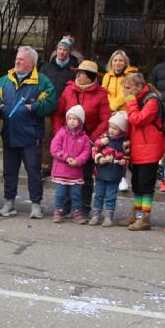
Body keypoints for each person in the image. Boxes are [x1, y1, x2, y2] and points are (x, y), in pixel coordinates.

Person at [0, 46, 57, 219]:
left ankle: (36, 205)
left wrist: (34, 107)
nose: (17, 61)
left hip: (31, 136)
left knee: (34, 172)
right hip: (9, 134)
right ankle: (9, 203)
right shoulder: (5, 80)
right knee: (9, 171)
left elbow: (51, 102)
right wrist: (0, 105)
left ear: (31, 63)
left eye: (21, 59)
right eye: (17, 58)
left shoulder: (42, 82)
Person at [53, 60, 111, 217]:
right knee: (66, 174)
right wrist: (60, 134)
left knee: (85, 176)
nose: (77, 75)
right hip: (67, 139)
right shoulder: (68, 90)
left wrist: (91, 139)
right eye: (77, 72)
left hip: (88, 141)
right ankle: (65, 207)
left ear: (90, 76)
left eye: (81, 73)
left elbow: (105, 120)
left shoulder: (101, 94)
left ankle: (83, 208)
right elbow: (58, 114)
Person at [121, 72, 165, 230]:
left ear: (139, 86)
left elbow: (138, 119)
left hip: (149, 149)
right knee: (137, 185)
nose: (126, 91)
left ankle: (144, 218)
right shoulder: (138, 100)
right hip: (138, 148)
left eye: (128, 87)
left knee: (146, 186)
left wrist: (130, 101)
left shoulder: (151, 101)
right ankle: (136, 213)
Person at [39, 37, 77, 176]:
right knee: (46, 137)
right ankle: (46, 166)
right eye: (59, 49)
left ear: (69, 52)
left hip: (65, 110)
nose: (61, 52)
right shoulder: (46, 67)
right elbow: (39, 85)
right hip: (48, 108)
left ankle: (62, 166)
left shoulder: (73, 70)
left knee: (64, 139)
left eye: (65, 50)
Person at [50, 105, 92, 224]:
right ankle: (58, 212)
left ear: (80, 121)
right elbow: (54, 148)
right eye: (69, 118)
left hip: (75, 173)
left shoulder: (84, 137)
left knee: (76, 195)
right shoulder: (61, 133)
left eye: (75, 119)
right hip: (61, 171)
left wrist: (78, 161)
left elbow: (86, 152)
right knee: (60, 194)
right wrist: (66, 157)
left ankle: (77, 212)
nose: (72, 121)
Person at [89, 111, 130, 227]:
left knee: (111, 196)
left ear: (122, 130)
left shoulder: (125, 142)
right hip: (101, 172)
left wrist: (124, 161)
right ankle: (96, 214)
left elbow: (127, 156)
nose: (111, 130)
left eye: (115, 128)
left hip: (115, 174)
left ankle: (109, 216)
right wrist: (99, 158)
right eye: (110, 127)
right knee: (99, 195)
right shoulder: (103, 138)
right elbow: (94, 150)